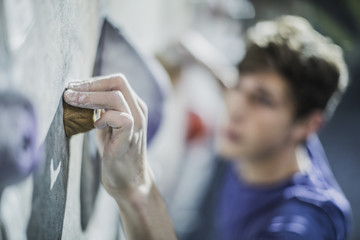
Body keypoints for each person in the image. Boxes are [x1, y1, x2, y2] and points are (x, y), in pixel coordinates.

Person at [63, 15, 351, 240]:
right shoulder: (284, 135)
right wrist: (198, 54)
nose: (235, 109)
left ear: (308, 125)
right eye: (238, 85)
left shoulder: (297, 226)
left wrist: (135, 186)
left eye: (261, 99)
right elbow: (245, 89)